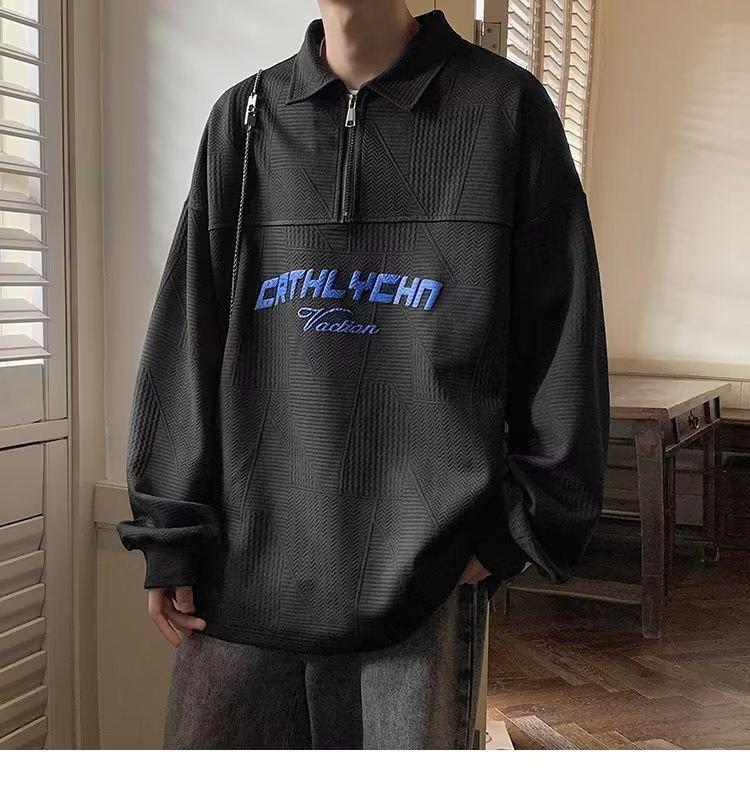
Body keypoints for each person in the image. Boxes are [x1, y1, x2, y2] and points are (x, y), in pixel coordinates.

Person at [117, 0, 609, 749]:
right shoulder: (244, 118)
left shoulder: (504, 111)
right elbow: (187, 337)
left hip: (422, 587)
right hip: (238, 586)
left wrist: (511, 530)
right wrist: (170, 534)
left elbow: (562, 339)